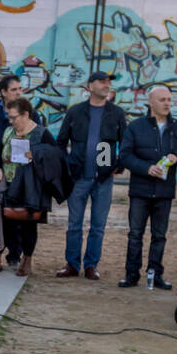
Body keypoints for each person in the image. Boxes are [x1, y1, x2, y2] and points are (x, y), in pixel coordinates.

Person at [55, 70, 127, 280]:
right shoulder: (76, 112)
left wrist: (118, 165)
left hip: (103, 178)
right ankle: (71, 264)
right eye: (102, 81)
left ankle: (91, 266)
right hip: (78, 177)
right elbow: (61, 142)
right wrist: (67, 164)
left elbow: (125, 144)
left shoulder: (116, 113)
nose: (106, 85)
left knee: (98, 225)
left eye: (108, 82)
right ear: (90, 86)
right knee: (74, 224)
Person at [118, 85, 177, 289]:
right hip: (140, 190)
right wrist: (146, 168)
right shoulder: (135, 127)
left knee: (159, 235)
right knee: (135, 234)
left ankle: (155, 274)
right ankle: (131, 275)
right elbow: (124, 156)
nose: (167, 103)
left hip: (164, 192)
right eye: (162, 100)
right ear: (150, 102)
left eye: (169, 99)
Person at [0, 74, 42, 266]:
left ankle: (14, 255)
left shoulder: (31, 114)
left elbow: (38, 142)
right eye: (14, 89)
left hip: (20, 175)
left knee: (17, 217)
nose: (19, 92)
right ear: (3, 92)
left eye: (20, 89)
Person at [0, 97, 59, 277]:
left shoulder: (41, 133)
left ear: (26, 115)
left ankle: (26, 259)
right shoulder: (8, 132)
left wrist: (36, 154)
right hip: (9, 183)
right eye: (9, 117)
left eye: (14, 117)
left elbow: (56, 155)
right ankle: (1, 256)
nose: (11, 121)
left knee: (29, 225)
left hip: (31, 187)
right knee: (6, 223)